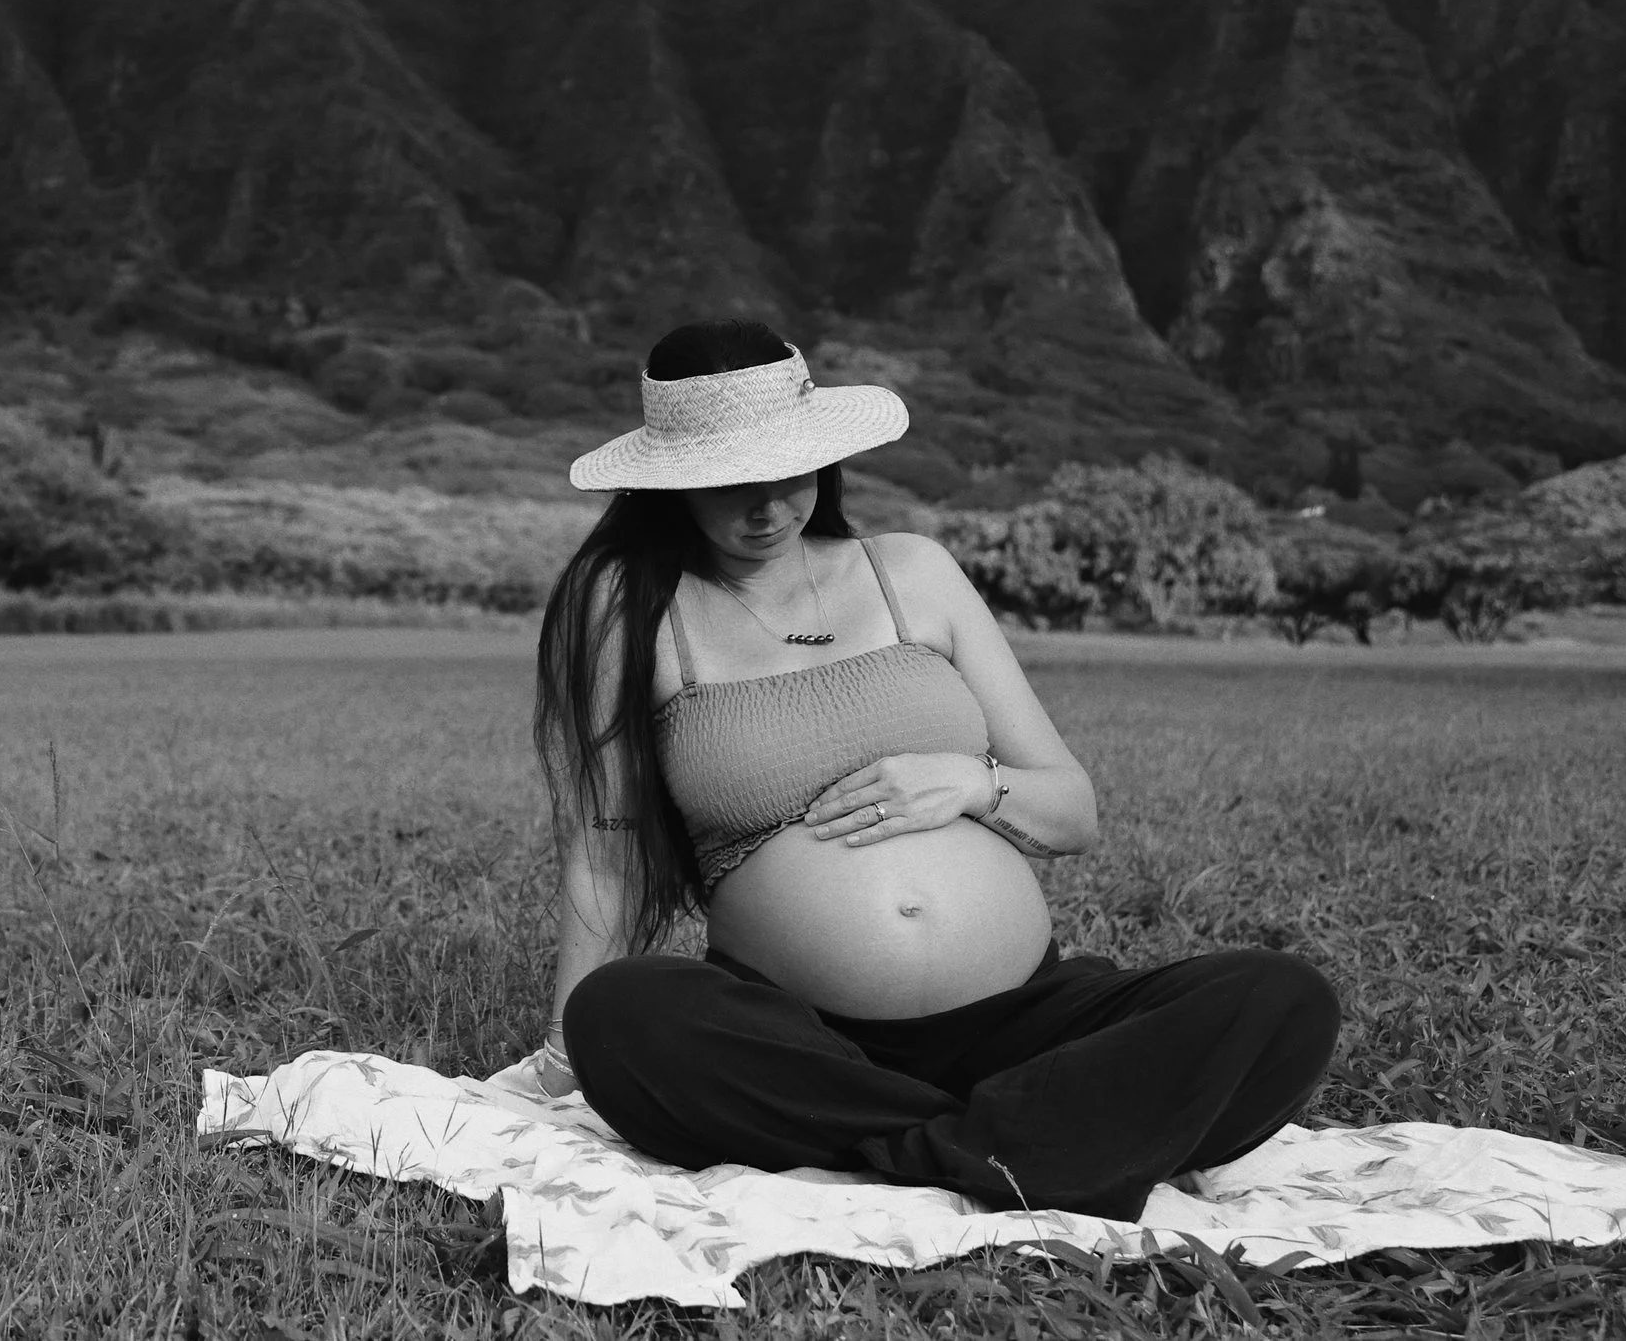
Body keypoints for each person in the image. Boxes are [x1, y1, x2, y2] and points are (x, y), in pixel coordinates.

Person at [527, 318, 1338, 1223]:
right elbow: (606, 848)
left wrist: (971, 782)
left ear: (823, 457)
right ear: (670, 482)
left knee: (1281, 998)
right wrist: (566, 1040)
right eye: (730, 482)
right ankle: (1019, 1143)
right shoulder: (629, 609)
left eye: (786, 470)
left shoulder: (914, 571)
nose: (766, 506)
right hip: (802, 1038)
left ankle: (916, 1144)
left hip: (1027, 1020)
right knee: (625, 1017)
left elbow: (1074, 812)